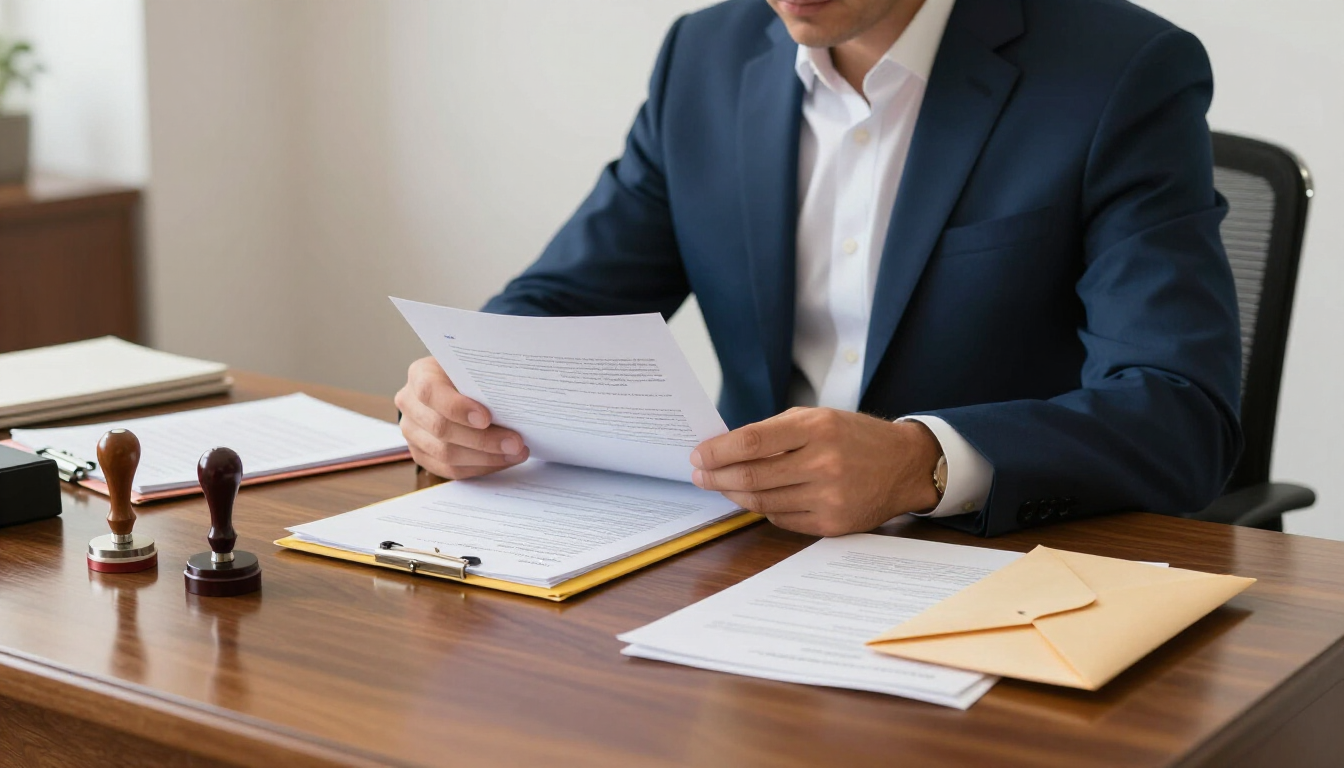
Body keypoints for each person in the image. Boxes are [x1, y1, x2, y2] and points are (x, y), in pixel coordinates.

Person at [396, 0, 1243, 537]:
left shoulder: (1122, 72)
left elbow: (1180, 412)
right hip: (740, 551)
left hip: (995, 567)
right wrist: (470, 386)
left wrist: (923, 463)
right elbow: (567, 296)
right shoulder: (704, 55)